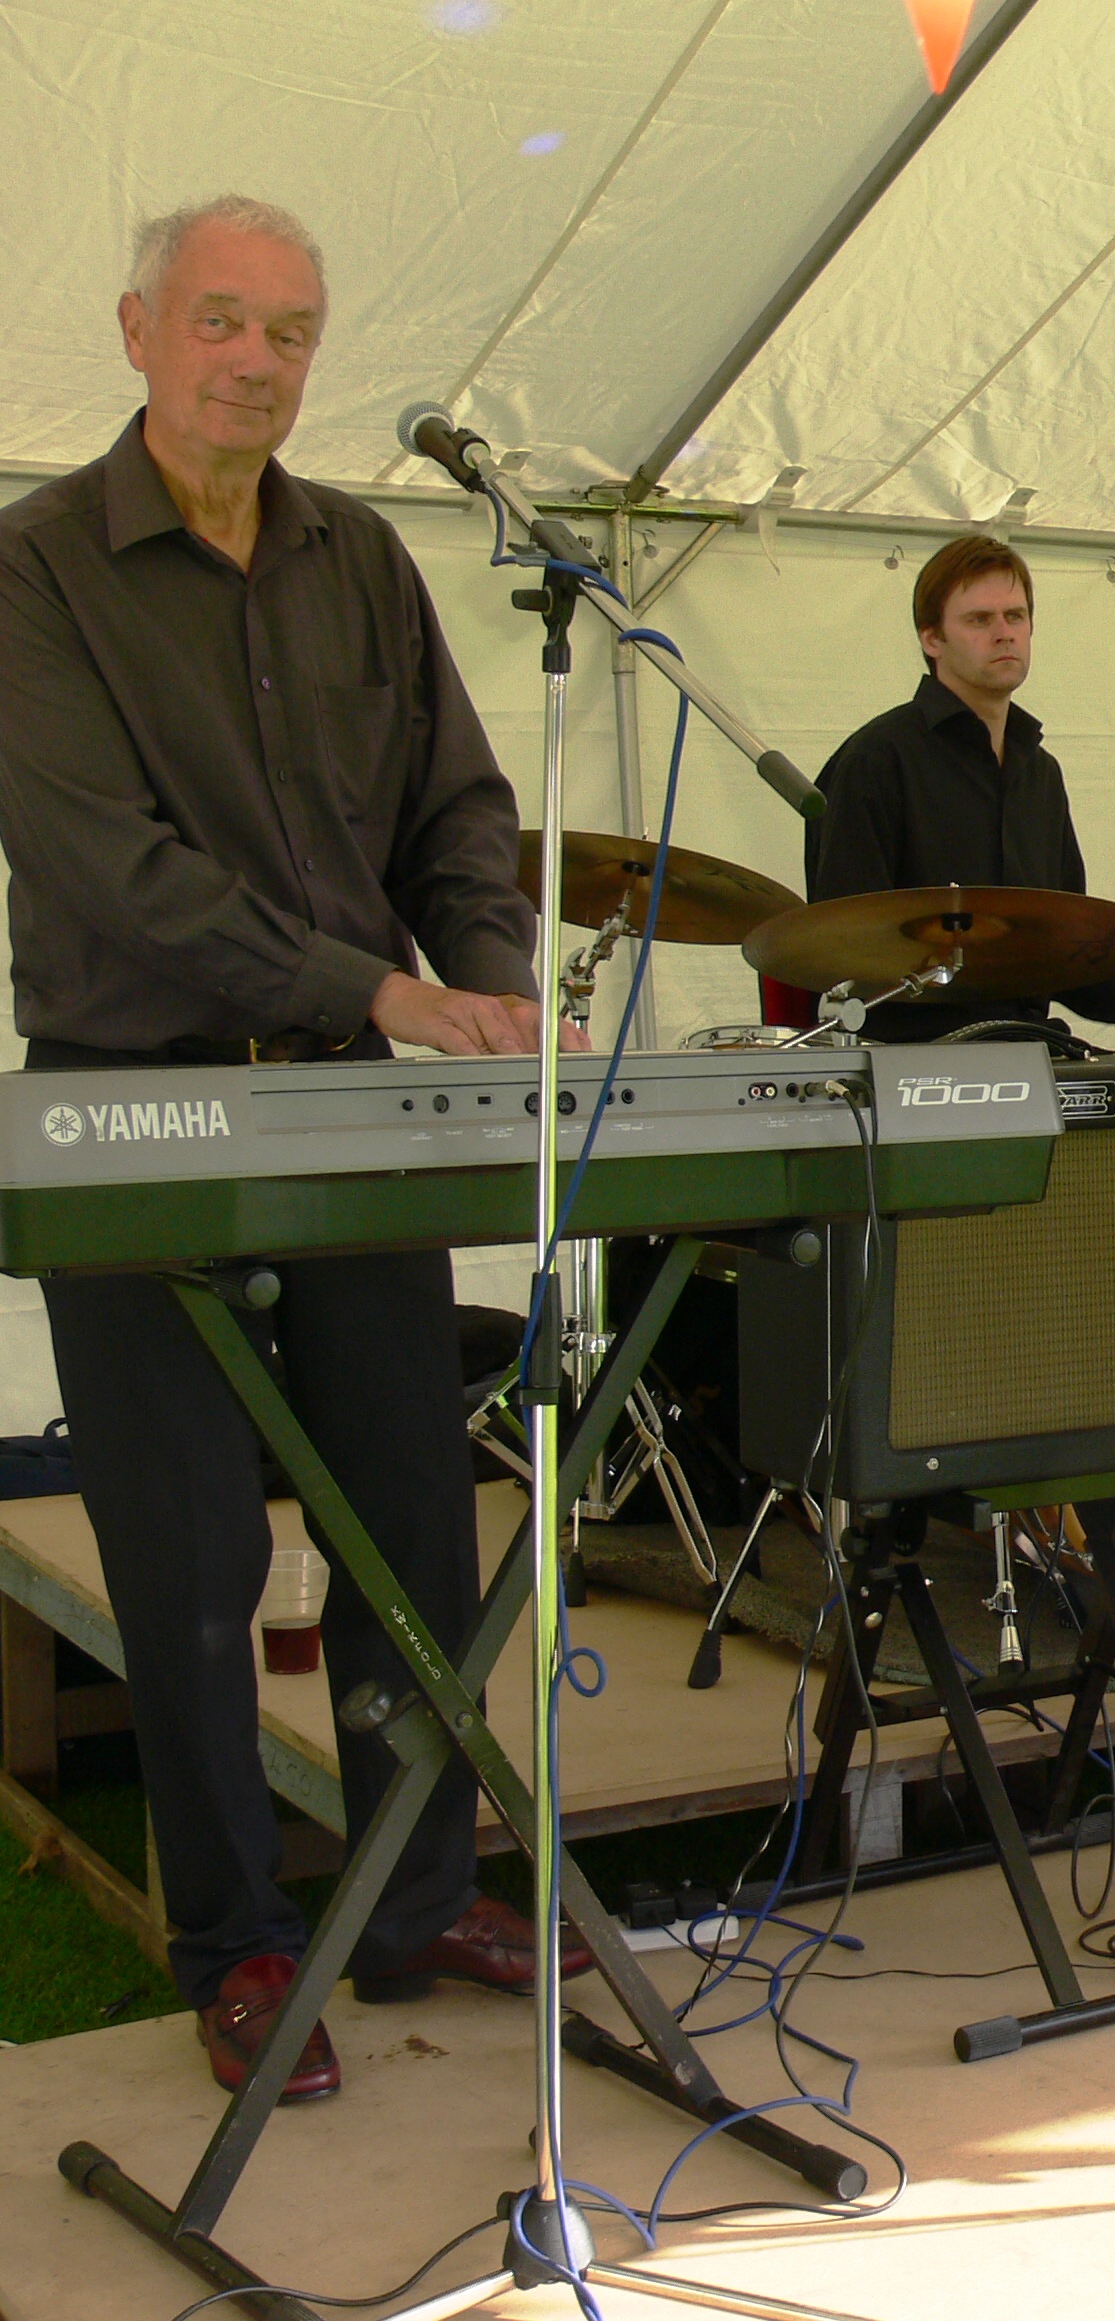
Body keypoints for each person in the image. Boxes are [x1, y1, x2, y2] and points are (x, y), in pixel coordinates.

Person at [0, 196, 589, 2103]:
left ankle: (416, 1898)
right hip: (132, 1106)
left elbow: (458, 808)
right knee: (183, 1555)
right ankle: (241, 1944)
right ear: (138, 329)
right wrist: (386, 988)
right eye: (221, 321)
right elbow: (113, 871)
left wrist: (488, 980)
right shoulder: (32, 570)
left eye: (292, 332)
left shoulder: (363, 557)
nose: (256, 361)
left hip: (353, 1101)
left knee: (408, 1514)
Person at [800, 534, 1115, 1043]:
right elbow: (846, 951)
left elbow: (1064, 953)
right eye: (980, 620)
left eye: (1015, 616)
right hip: (914, 1057)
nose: (1004, 634)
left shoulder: (1041, 774)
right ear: (932, 639)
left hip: (1029, 1045)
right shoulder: (875, 761)